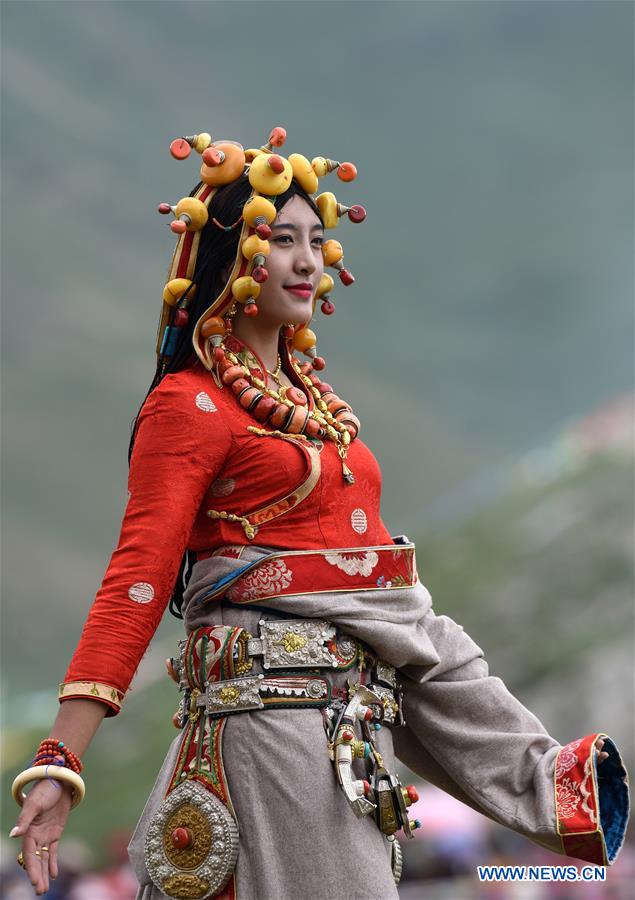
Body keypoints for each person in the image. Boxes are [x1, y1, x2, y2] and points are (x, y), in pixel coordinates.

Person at [9, 127, 629, 900]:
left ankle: (549, 789)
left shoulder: (315, 403)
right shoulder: (186, 405)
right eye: (280, 241)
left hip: (359, 713)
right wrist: (60, 764)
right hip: (270, 720)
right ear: (232, 259)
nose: (307, 260)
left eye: (315, 240)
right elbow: (137, 578)